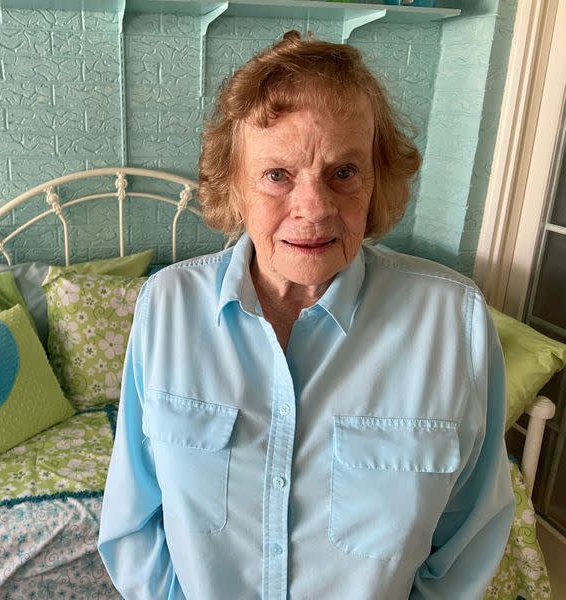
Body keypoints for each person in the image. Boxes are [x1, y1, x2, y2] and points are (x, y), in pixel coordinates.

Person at [98, 31, 514, 599]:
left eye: (344, 172)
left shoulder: (453, 320)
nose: (314, 208)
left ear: (377, 180)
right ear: (235, 186)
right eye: (277, 175)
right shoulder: (166, 306)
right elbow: (133, 520)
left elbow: (471, 538)